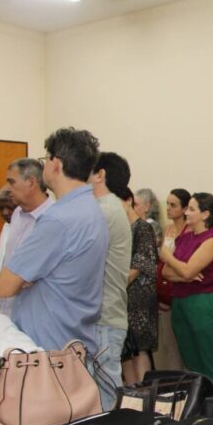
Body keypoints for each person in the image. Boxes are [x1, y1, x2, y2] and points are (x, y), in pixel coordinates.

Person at [0, 127, 108, 353]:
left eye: (45, 160)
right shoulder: (92, 209)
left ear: (55, 163)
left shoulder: (58, 219)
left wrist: (26, 279)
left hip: (47, 349)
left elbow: (6, 285)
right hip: (71, 339)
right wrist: (28, 278)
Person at [161, 192, 213, 394]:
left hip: (203, 303)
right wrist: (185, 275)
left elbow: (186, 269)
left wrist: (167, 255)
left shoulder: (212, 240)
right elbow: (166, 273)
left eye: (191, 209)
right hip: (180, 301)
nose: (186, 212)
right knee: (191, 360)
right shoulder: (186, 237)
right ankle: (198, 403)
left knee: (208, 360)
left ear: (205, 214)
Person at [89, 152, 134, 410]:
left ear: (100, 175)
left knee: (106, 400)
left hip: (104, 318)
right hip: (103, 317)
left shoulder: (105, 210)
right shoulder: (106, 208)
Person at [1, 159, 53, 316]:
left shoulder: (53, 219)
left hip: (35, 314)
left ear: (31, 183)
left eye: (12, 182)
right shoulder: (17, 214)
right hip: (6, 310)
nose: (8, 188)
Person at [121, 189, 159, 383]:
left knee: (140, 347)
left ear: (128, 201)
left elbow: (140, 265)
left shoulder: (142, 228)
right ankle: (130, 391)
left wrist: (115, 285)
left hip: (139, 296)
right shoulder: (122, 227)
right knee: (126, 349)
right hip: (123, 296)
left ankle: (144, 392)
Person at [157, 188, 190, 371]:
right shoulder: (168, 229)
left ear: (184, 209)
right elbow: (163, 258)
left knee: (186, 344)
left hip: (183, 290)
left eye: (173, 205)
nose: (168, 208)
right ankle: (175, 382)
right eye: (167, 204)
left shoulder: (189, 231)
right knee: (170, 344)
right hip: (165, 290)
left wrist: (168, 256)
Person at [0, 187, 17, 277]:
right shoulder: (6, 226)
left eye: (10, 207)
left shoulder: (29, 227)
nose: (5, 212)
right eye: (1, 208)